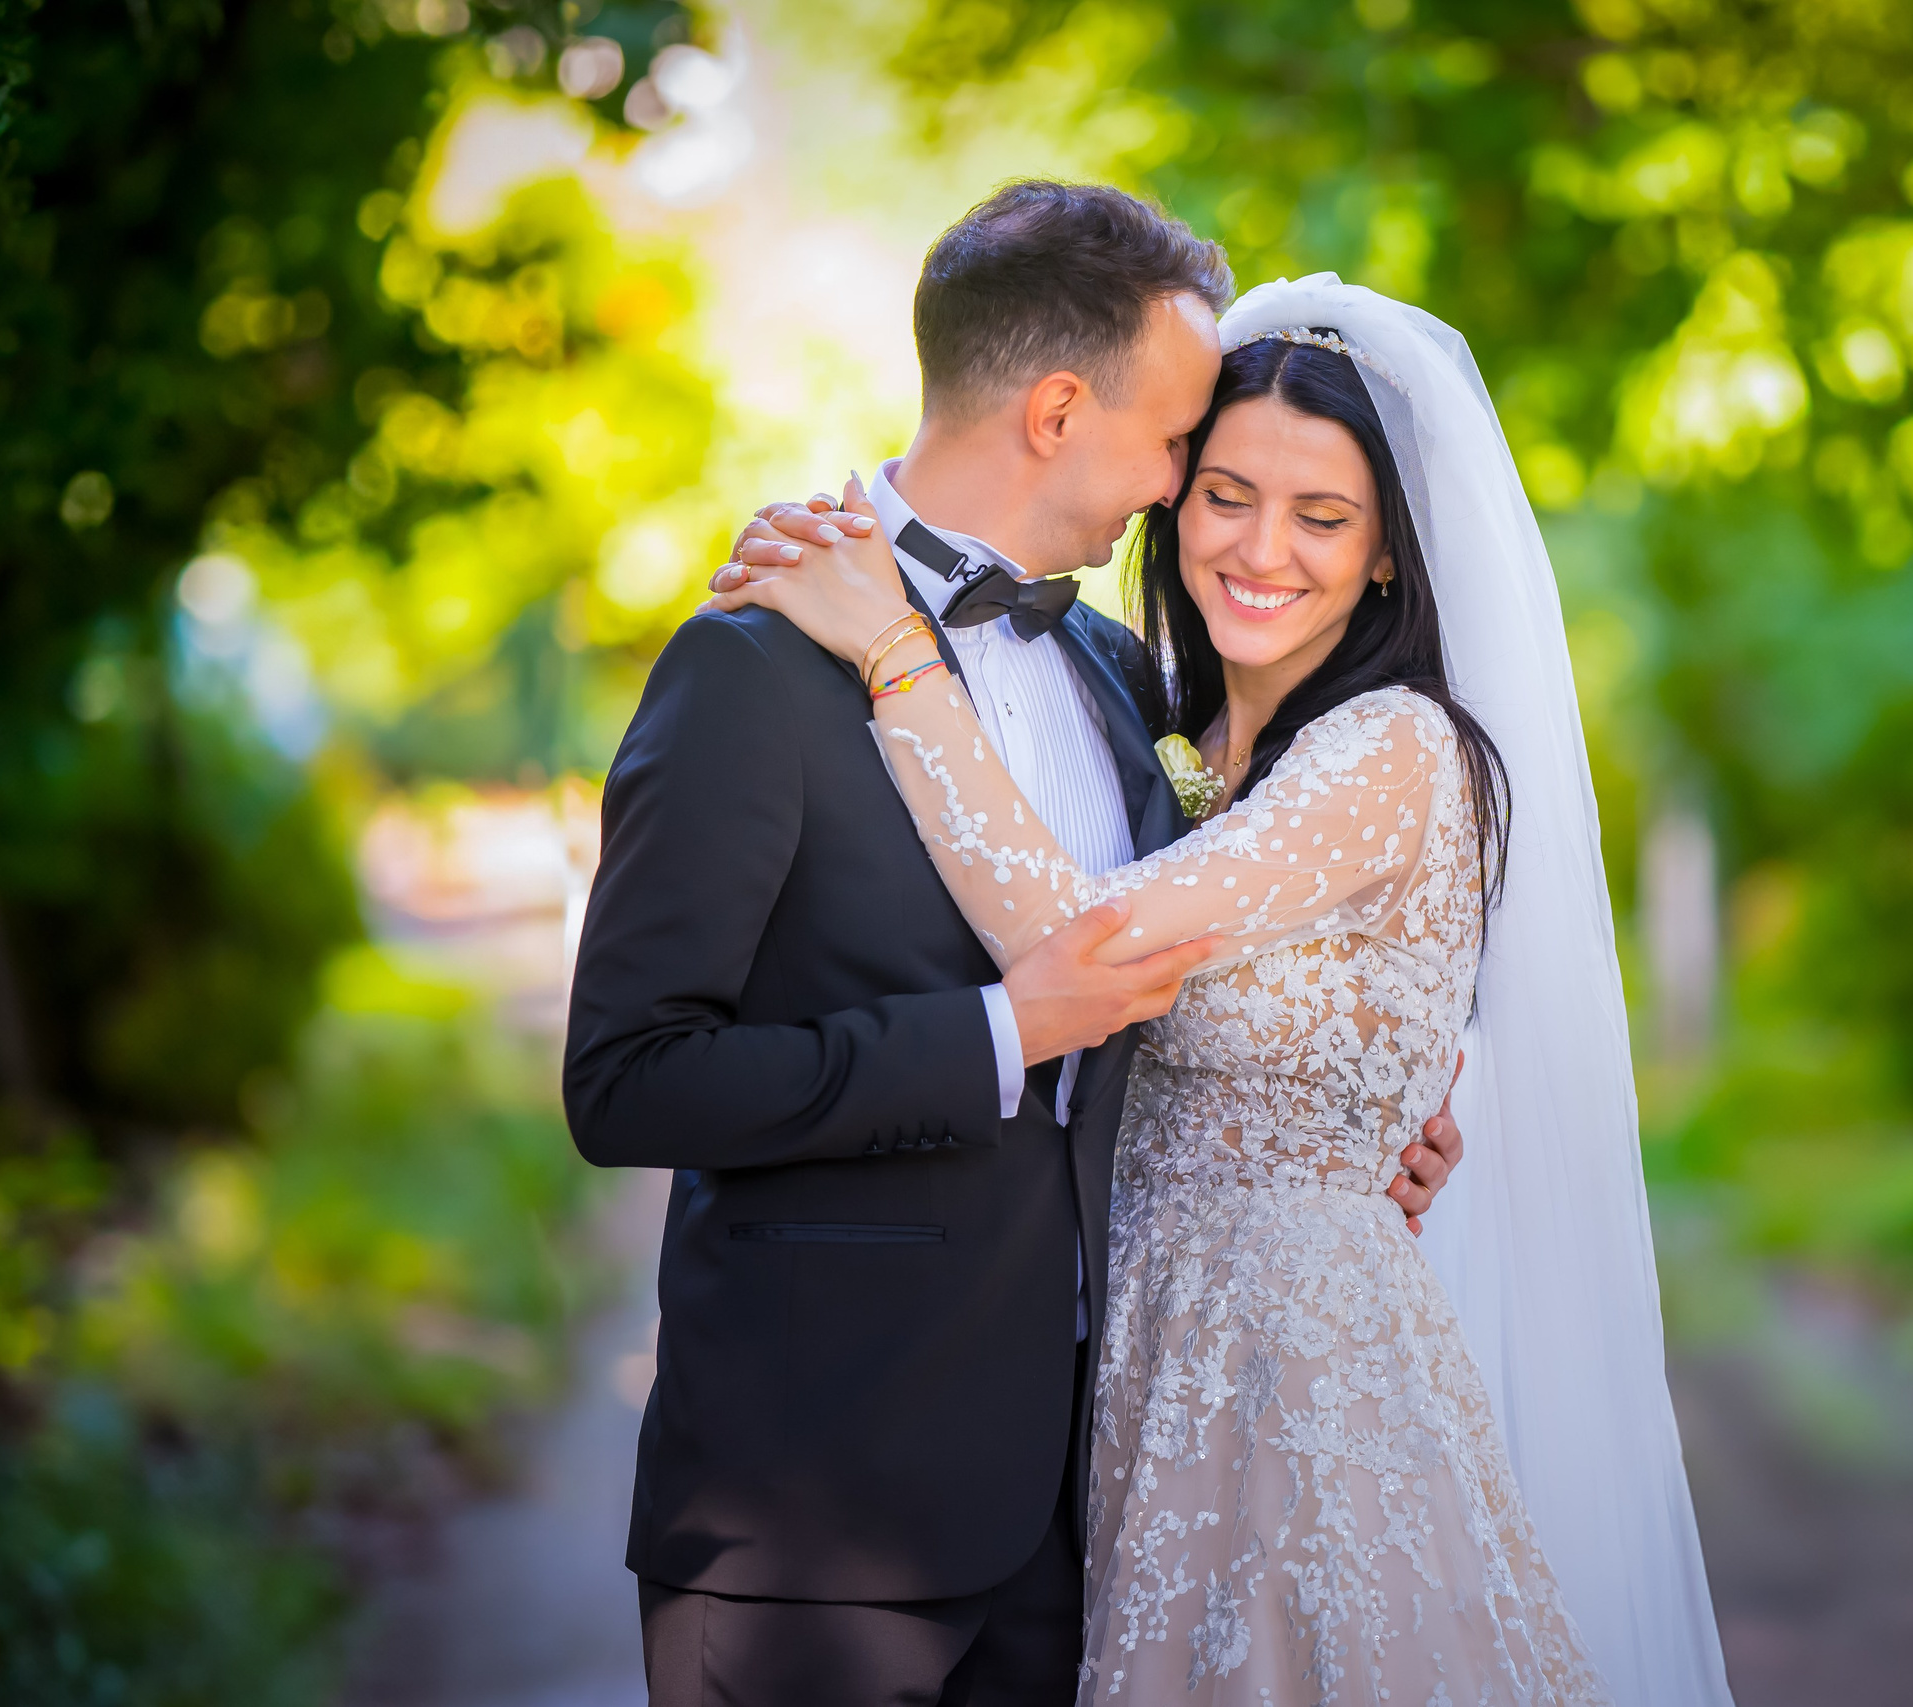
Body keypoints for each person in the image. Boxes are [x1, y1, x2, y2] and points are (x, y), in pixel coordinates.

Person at [716, 274, 1737, 1705]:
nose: (1263, 550)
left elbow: (1082, 946)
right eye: (1227, 496)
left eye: (1323, 519)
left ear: (1389, 557)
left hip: (1300, 1392)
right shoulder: (1160, 728)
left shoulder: (1390, 751)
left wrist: (892, 649)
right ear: (1172, 501)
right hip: (1132, 1378)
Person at [561, 184, 1466, 1707]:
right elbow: (630, 1080)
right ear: (1060, 409)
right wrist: (995, 1034)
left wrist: (1364, 1106)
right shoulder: (754, 668)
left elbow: (1237, 947)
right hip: (814, 1520)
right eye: (1182, 442)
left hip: (1086, 1512)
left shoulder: (1124, 674)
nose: (1189, 487)